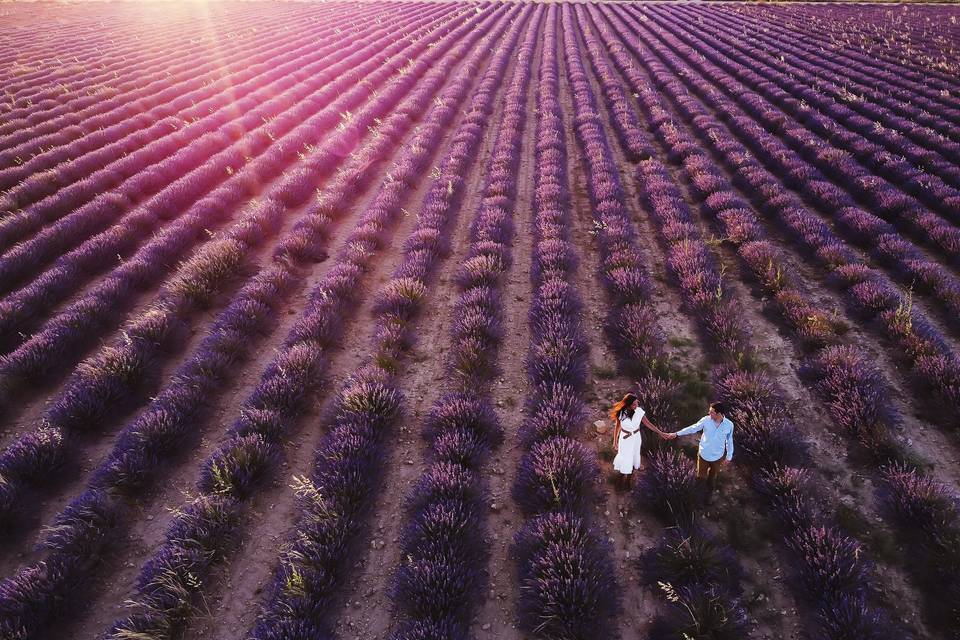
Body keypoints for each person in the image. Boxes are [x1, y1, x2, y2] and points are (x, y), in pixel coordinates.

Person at [665, 401, 734, 497]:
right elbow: (693, 428)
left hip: (717, 457)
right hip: (703, 455)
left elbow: (729, 441)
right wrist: (677, 434)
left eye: (712, 412)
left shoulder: (729, 425)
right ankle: (697, 496)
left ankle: (709, 495)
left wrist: (729, 456)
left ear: (719, 414)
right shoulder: (706, 420)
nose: (709, 414)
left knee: (712, 478)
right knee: (700, 477)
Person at [610, 393, 669, 490]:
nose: (636, 405)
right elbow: (617, 427)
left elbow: (648, 424)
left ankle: (628, 481)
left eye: (636, 403)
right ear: (628, 405)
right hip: (625, 439)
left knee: (633, 458)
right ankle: (620, 479)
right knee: (625, 458)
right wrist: (615, 441)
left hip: (636, 438)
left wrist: (660, 432)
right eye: (634, 404)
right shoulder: (622, 413)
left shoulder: (639, 411)